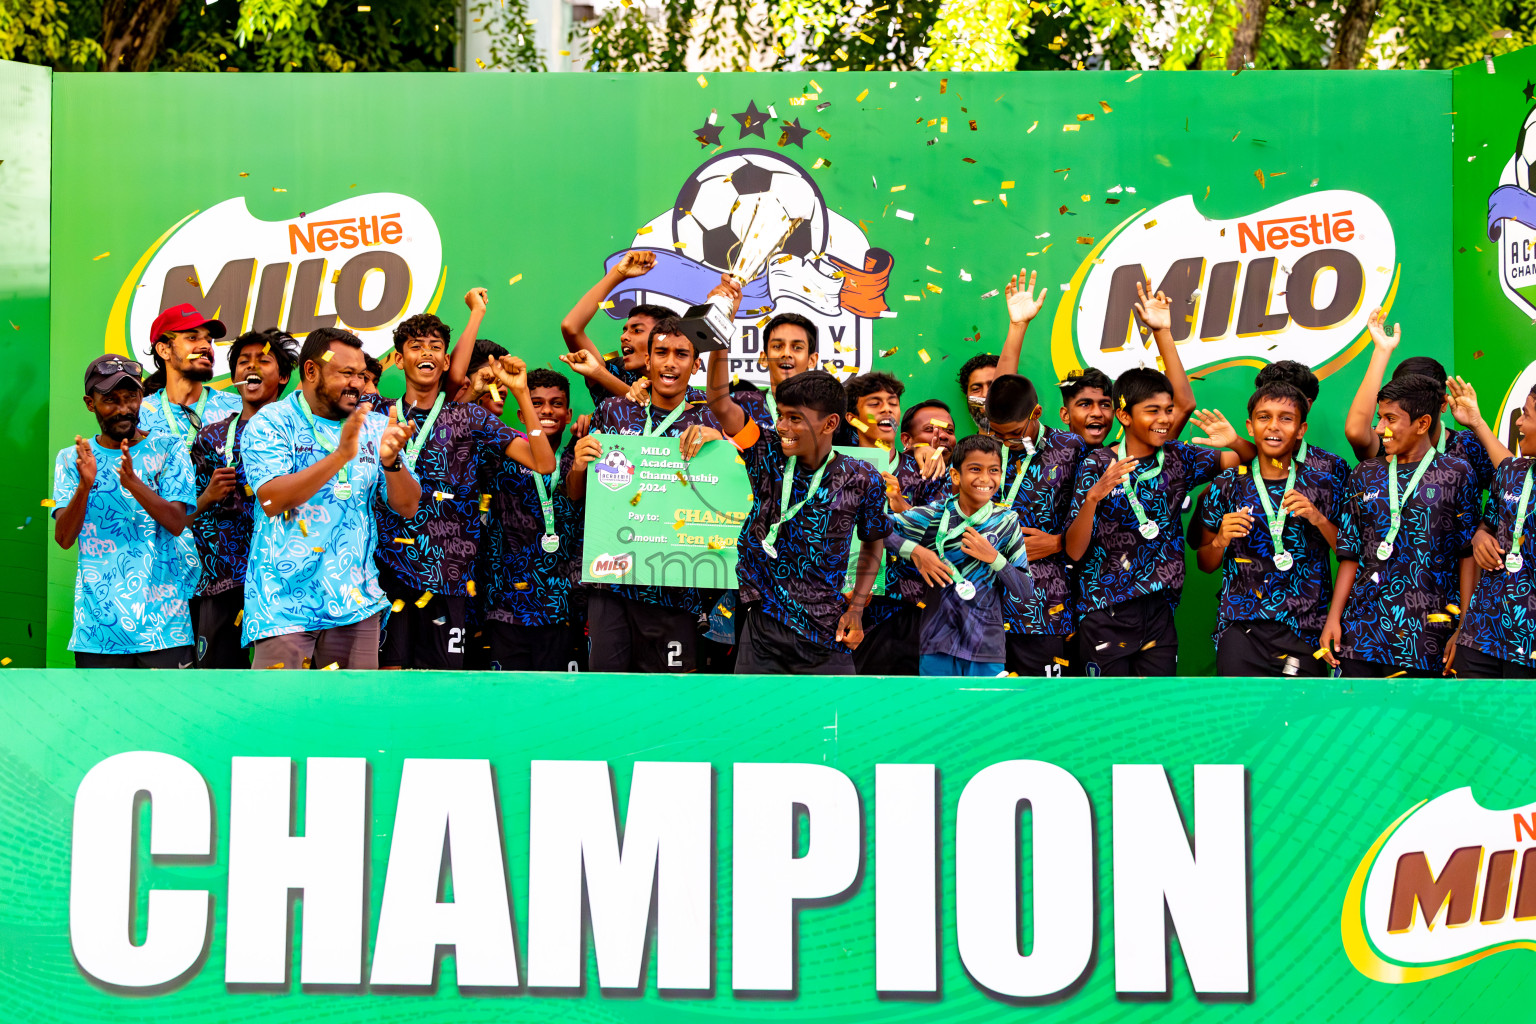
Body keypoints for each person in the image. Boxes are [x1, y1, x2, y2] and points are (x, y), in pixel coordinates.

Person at [373, 312, 556, 670]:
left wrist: (520, 391)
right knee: (388, 682)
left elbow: (544, 463)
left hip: (450, 573)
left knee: (440, 687)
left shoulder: (471, 416)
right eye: (415, 346)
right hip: (387, 573)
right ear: (398, 359)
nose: (426, 352)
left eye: (435, 347)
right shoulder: (376, 413)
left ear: (445, 361)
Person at [729, 370, 944, 674]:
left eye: (892, 402)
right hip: (772, 623)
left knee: (847, 717)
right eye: (874, 403)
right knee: (759, 718)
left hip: (849, 623)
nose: (782, 426)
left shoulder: (879, 474)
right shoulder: (781, 454)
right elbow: (724, 409)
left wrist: (856, 608)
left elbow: (880, 540)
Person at [240, 326, 420, 670]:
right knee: (283, 722)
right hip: (282, 611)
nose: (357, 383)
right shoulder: (272, 422)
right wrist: (340, 455)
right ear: (311, 371)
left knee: (350, 723)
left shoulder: (376, 425)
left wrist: (391, 462)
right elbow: (271, 501)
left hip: (357, 607)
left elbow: (408, 507)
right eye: (346, 373)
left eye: (362, 375)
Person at [567, 315, 723, 672]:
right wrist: (578, 465)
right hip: (612, 582)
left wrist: (723, 445)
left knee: (670, 701)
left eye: (681, 354)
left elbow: (745, 475)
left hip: (678, 583)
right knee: (607, 697)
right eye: (661, 352)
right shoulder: (614, 409)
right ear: (647, 361)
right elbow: (577, 495)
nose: (670, 362)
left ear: (696, 364)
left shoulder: (712, 415)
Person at [1065, 359, 1238, 676]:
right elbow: (1074, 551)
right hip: (1104, 609)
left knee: (1155, 711)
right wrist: (1092, 498)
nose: (1164, 419)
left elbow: (1237, 460)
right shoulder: (1096, 463)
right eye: (1152, 411)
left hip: (1159, 611)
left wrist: (1232, 446)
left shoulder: (1180, 456)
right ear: (1124, 416)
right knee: (1107, 713)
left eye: (1168, 410)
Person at [1320, 374, 1479, 678]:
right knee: (1359, 722)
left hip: (1429, 637)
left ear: (1422, 424)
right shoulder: (1364, 473)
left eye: (1390, 419)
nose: (1380, 429)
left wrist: (1464, 628)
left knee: (1419, 723)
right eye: (1380, 418)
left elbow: (1467, 554)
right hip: (1362, 633)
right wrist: (1334, 618)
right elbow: (1350, 553)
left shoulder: (1457, 473)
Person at [53, 354, 200, 668]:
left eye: (131, 397)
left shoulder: (170, 448)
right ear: (90, 404)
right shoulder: (71, 460)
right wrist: (85, 485)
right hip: (98, 634)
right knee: (101, 719)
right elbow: (64, 537)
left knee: (167, 719)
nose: (123, 408)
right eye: (110, 399)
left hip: (165, 631)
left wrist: (133, 482)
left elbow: (177, 523)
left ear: (141, 398)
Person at [1193, 382, 1341, 676]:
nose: (1274, 426)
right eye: (1264, 417)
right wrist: (1220, 540)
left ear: (1301, 429)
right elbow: (1205, 564)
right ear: (1250, 426)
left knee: (1302, 720)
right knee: (1241, 719)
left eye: (1286, 418)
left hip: (1306, 630)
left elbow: (1351, 553)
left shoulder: (1324, 483)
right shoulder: (1228, 483)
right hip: (1241, 629)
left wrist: (1318, 518)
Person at [188, 328, 295, 668]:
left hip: (284, 581)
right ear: (234, 376)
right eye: (243, 361)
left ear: (283, 376)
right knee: (216, 685)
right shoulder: (211, 435)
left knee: (280, 686)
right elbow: (185, 515)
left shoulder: (300, 431)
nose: (252, 367)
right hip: (224, 581)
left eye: (264, 360)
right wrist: (208, 496)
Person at [886, 435, 1034, 677]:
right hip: (937, 645)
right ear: (955, 475)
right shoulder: (933, 515)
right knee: (941, 715)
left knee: (985, 715)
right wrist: (915, 551)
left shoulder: (1007, 522)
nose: (986, 479)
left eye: (994, 470)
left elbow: (1025, 590)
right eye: (975, 469)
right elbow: (874, 529)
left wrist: (994, 558)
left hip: (987, 648)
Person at [839, 371, 950, 674]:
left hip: (909, 611)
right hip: (843, 607)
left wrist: (901, 507)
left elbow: (943, 537)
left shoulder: (925, 468)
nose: (887, 410)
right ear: (852, 417)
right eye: (875, 404)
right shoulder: (835, 468)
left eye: (892, 403)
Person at [983, 373, 1087, 676]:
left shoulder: (1071, 448)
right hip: (982, 610)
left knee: (1041, 713)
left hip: (1042, 608)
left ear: (1037, 413)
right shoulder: (981, 449)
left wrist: (1058, 541)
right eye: (998, 435)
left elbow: (1092, 519)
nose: (1006, 443)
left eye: (1015, 434)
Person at [482, 368, 584, 671]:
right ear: (522, 414)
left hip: (561, 605)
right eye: (536, 403)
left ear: (568, 414)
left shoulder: (580, 457)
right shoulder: (501, 456)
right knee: (506, 702)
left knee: (557, 704)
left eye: (555, 403)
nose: (546, 411)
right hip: (505, 605)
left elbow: (577, 493)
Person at [1342, 309, 1500, 493]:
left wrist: (1477, 424)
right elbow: (1355, 431)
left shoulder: (1466, 445)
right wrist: (1381, 351)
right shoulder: (1389, 439)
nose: (1382, 427)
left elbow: (1515, 482)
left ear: (1443, 404)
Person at [1456, 385, 1536, 677]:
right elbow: (1486, 524)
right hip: (1482, 634)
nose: (1518, 422)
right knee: (1469, 722)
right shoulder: (1512, 472)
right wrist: (1479, 538)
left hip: (1530, 643)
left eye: (1525, 415)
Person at [560, 250, 680, 404]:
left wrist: (601, 374)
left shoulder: (683, 387)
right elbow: (571, 328)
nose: (623, 337)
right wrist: (617, 274)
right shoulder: (614, 370)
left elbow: (658, 408)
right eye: (625, 330)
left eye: (637, 330)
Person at [138, 302, 243, 448]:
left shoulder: (238, 409)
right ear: (164, 350)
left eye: (208, 340)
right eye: (192, 338)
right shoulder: (138, 414)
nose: (206, 346)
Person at [704, 311, 819, 433]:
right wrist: (723, 320)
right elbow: (720, 406)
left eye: (797, 347)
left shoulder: (825, 411)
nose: (786, 353)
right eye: (777, 346)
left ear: (812, 360)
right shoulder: (744, 403)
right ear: (763, 358)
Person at [1058, 368, 1115, 448]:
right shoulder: (1047, 459)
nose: (1097, 413)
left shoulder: (1124, 459)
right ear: (1065, 415)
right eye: (1085, 404)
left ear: (1113, 414)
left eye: (1105, 405)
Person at [958, 355, 999, 434]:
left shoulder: (1029, 444)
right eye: (976, 389)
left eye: (994, 386)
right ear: (967, 397)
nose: (985, 395)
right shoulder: (965, 446)